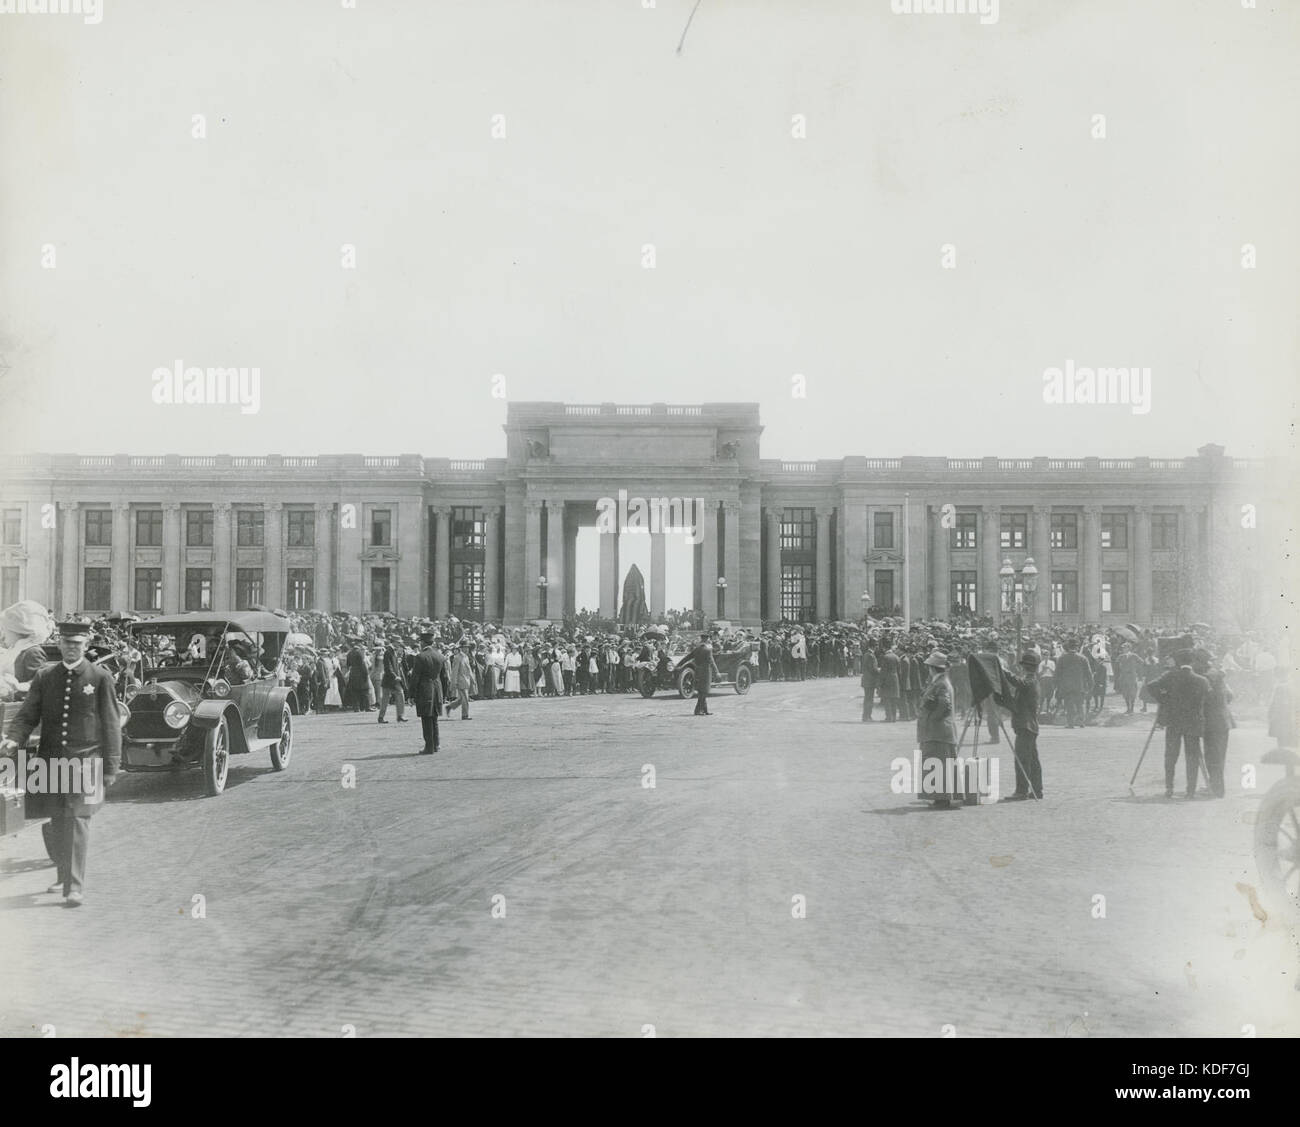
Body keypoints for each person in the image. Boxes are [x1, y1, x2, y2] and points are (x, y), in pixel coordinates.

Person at [0, 621, 122, 906]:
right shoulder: (46, 677)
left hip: (86, 761)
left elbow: (112, 724)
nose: (71, 648)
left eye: (77, 644)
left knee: (78, 819)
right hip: (52, 762)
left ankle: (74, 886)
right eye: (67, 643)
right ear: (60, 644)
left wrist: (111, 767)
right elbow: (27, 715)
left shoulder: (100, 677)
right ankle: (62, 875)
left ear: (86, 645)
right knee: (56, 821)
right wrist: (13, 739)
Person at [1146, 649, 1210, 799]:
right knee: (1192, 757)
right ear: (1191, 662)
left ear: (1178, 662)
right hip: (1193, 722)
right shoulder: (1202, 680)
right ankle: (1190, 791)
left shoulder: (1170, 676)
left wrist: (1164, 699)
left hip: (1174, 721)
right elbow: (1207, 699)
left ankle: (1169, 788)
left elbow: (1150, 686)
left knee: (1170, 756)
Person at [916, 651, 961, 809]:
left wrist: (931, 719)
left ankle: (941, 798)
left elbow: (944, 705)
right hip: (939, 730)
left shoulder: (940, 683)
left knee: (936, 762)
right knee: (938, 762)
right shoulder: (940, 681)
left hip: (937, 730)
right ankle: (940, 797)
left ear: (932, 668)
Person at [999, 651, 1043, 800]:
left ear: (1025, 667)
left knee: (1022, 759)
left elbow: (1018, 682)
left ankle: (1021, 791)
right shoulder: (1031, 680)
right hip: (1029, 726)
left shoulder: (1029, 680)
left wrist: (1002, 670)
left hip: (1026, 726)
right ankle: (1037, 790)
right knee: (1032, 759)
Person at [1196, 651, 1233, 799]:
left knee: (1212, 756)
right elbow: (1230, 695)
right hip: (1223, 720)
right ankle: (1215, 786)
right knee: (1218, 756)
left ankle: (1216, 790)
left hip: (1212, 721)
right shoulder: (1217, 674)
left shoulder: (1205, 677)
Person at [411, 631, 450, 754]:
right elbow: (445, 678)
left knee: (426, 718)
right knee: (434, 718)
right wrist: (444, 694)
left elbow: (415, 677)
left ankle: (429, 747)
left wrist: (411, 694)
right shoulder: (440, 656)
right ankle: (436, 744)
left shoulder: (420, 657)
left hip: (425, 690)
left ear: (422, 642)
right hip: (437, 689)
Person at [681, 633, 722, 716]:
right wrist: (717, 672)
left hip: (698, 670)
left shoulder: (697, 648)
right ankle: (698, 710)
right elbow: (712, 661)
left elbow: (687, 657)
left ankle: (705, 710)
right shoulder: (708, 649)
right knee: (704, 692)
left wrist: (679, 665)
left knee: (701, 691)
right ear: (707, 639)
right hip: (706, 671)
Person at [1056, 641, 1092, 729]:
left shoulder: (1062, 658)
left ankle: (1070, 723)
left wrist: (1057, 685)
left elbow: (1057, 673)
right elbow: (1088, 673)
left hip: (1067, 685)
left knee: (1069, 704)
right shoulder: (1083, 658)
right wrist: (1090, 684)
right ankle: (1081, 722)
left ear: (1068, 648)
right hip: (1079, 685)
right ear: (1076, 647)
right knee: (1080, 703)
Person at [378, 639, 409, 724]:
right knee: (387, 699)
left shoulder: (392, 651)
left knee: (390, 698)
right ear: (394, 642)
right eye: (398, 642)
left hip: (392, 680)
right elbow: (388, 667)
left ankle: (397, 716)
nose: (399, 644)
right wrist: (395, 676)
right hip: (391, 680)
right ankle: (398, 716)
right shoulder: (389, 652)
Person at [448, 642, 476, 720]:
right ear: (461, 648)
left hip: (466, 680)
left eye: (467, 647)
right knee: (466, 698)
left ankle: (449, 707)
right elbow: (454, 671)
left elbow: (469, 669)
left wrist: (472, 678)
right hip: (460, 681)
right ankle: (465, 715)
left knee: (461, 699)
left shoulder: (466, 657)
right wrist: (454, 682)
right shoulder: (457, 657)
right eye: (465, 647)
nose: (467, 649)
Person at [1113, 642, 1141, 714]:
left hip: (1132, 676)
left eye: (1125, 647)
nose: (1123, 649)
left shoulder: (1134, 656)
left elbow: (1141, 662)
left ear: (1129, 648)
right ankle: (1128, 708)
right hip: (1124, 676)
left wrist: (1135, 669)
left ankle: (1132, 708)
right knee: (1125, 693)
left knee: (1132, 693)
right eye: (1123, 648)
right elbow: (1116, 664)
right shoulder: (1121, 656)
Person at [860, 645, 879, 722]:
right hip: (870, 680)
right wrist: (879, 671)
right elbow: (873, 668)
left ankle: (866, 716)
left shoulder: (866, 654)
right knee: (869, 699)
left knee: (868, 698)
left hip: (866, 679)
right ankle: (867, 716)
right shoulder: (871, 655)